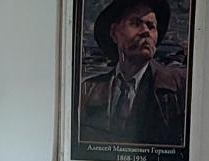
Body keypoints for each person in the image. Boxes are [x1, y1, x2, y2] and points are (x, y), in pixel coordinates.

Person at [77, 0, 189, 146]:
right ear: (114, 32)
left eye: (151, 26)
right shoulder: (88, 90)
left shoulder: (180, 88)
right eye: (135, 23)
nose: (146, 31)